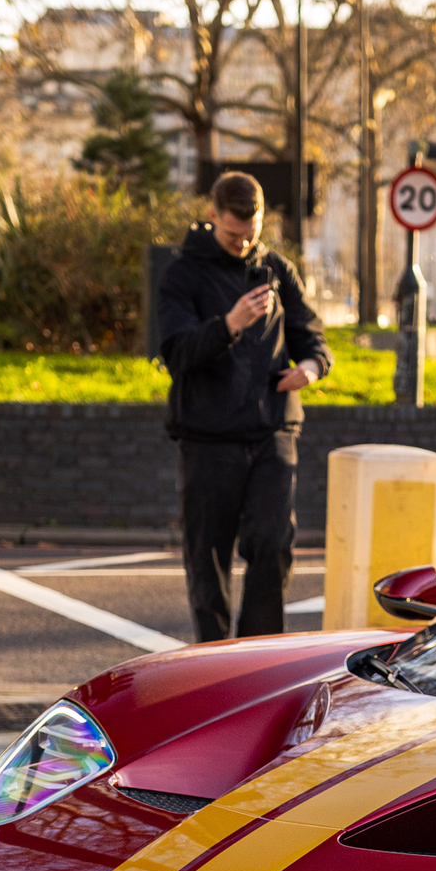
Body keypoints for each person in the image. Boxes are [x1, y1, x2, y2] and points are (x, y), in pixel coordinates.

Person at [154, 172, 332, 642]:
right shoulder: (182, 274)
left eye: (250, 232)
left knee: (273, 547)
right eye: (233, 233)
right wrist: (230, 323)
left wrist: (311, 367)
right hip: (208, 438)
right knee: (208, 558)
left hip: (273, 430)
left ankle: (256, 658)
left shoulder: (277, 268)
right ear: (213, 216)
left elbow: (311, 337)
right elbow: (175, 353)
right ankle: (214, 660)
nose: (243, 241)